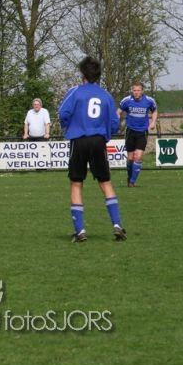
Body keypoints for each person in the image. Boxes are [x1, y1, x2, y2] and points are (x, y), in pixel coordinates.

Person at [58, 56, 126, 243]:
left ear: (82, 74)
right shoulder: (106, 95)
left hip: (79, 140)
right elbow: (114, 123)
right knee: (105, 182)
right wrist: (105, 133)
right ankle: (117, 225)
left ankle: (80, 230)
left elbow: (63, 113)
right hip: (98, 141)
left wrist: (68, 126)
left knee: (76, 183)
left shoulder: (75, 92)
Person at [118, 82, 157, 187]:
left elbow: (154, 111)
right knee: (130, 158)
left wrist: (153, 122)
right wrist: (116, 120)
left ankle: (132, 182)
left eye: (138, 90)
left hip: (142, 132)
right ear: (132, 91)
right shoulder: (126, 100)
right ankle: (129, 178)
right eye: (134, 90)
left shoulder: (149, 101)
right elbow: (118, 111)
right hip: (130, 131)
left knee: (138, 156)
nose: (136, 92)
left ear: (142, 91)